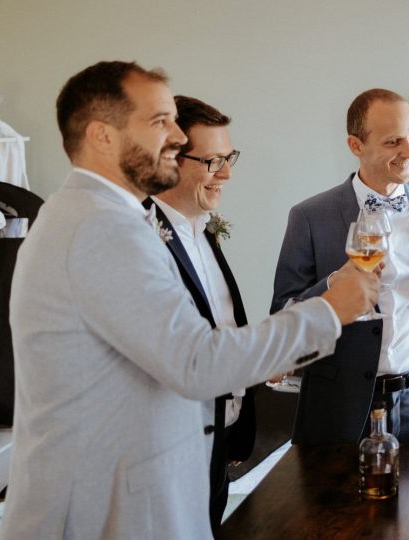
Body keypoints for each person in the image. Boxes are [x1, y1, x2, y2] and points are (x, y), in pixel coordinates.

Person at [1, 61, 378, 540]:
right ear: (102, 136)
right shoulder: (100, 227)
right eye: (160, 121)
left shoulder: (99, 217)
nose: (178, 138)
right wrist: (331, 308)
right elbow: (197, 362)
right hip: (106, 511)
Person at [271, 88, 409, 445]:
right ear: (355, 145)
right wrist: (334, 282)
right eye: (394, 141)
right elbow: (283, 310)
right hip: (339, 406)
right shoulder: (310, 217)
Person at [142, 95, 255, 532]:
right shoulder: (140, 239)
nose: (226, 174)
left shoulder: (204, 233)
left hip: (215, 444)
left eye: (229, 158)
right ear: (170, 157)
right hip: (168, 455)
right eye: (213, 161)